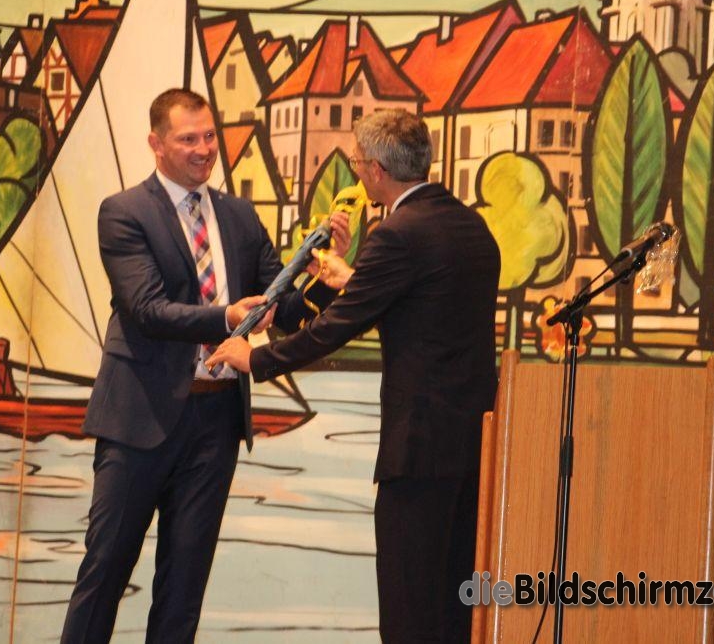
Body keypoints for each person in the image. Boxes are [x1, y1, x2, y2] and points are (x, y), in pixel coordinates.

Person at [61, 88, 349, 643]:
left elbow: (284, 310)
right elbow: (146, 309)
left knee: (183, 590)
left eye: (210, 136)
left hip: (215, 424)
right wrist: (226, 317)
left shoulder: (239, 216)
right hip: (138, 420)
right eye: (188, 139)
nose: (203, 149)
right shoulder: (123, 212)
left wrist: (328, 279)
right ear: (156, 144)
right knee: (104, 574)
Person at [209, 108, 501, 643]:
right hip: (474, 452)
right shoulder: (471, 227)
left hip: (417, 451)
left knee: (409, 611)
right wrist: (348, 276)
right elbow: (423, 303)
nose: (358, 171)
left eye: (359, 162)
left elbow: (336, 328)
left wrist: (257, 359)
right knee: (455, 607)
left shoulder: (397, 235)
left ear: (377, 172)